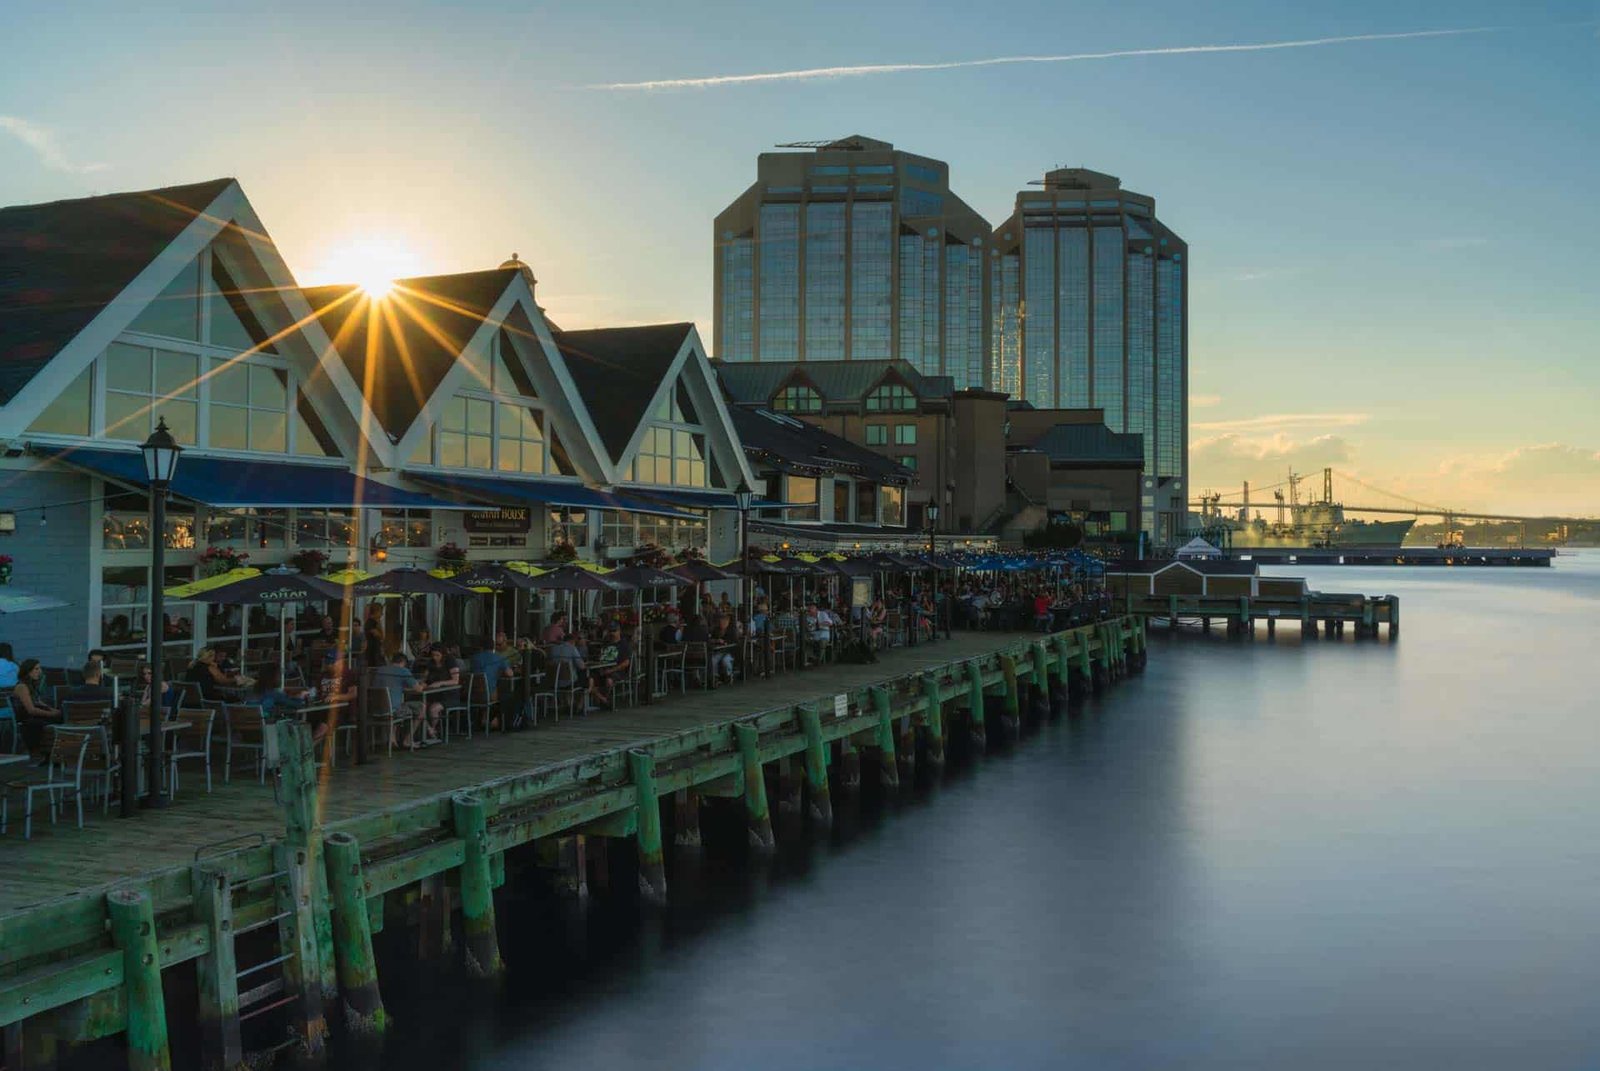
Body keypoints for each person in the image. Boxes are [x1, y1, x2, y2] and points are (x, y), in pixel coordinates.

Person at [372, 653, 433, 749]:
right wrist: (424, 684)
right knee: (421, 707)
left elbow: (392, 687)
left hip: (375, 709)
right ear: (403, 662)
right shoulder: (403, 671)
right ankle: (408, 740)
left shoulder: (380, 670)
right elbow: (418, 689)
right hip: (394, 711)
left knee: (397, 705)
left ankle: (392, 740)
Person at [11, 659, 58, 755]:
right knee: (50, 721)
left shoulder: (32, 685)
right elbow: (31, 710)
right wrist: (51, 714)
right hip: (27, 718)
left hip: (34, 716)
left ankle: (55, 752)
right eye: (36, 669)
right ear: (28, 671)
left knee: (59, 717)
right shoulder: (22, 686)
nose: (39, 671)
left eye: (39, 668)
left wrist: (55, 711)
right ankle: (45, 752)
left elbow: (39, 703)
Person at [313, 655, 358, 749]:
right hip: (322, 707)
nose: (330, 665)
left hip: (341, 710)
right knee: (309, 720)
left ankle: (307, 751)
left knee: (325, 721)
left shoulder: (348, 674)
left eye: (333, 663)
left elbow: (353, 694)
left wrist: (336, 697)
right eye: (328, 663)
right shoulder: (323, 675)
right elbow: (316, 691)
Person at [587, 623, 631, 708]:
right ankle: (604, 700)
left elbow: (626, 663)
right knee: (589, 680)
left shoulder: (624, 644)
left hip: (617, 670)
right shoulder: (606, 643)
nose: (612, 633)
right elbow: (601, 657)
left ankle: (604, 699)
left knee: (609, 680)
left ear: (619, 631)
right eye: (610, 631)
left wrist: (611, 670)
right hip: (602, 668)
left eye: (614, 631)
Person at [709, 615, 737, 683]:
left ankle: (729, 675)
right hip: (719, 651)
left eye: (724, 622)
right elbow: (711, 639)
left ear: (728, 622)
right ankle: (715, 677)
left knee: (726, 660)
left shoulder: (731, 630)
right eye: (721, 622)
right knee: (713, 660)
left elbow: (734, 642)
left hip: (729, 651)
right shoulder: (716, 630)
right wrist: (716, 640)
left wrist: (725, 642)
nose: (723, 623)